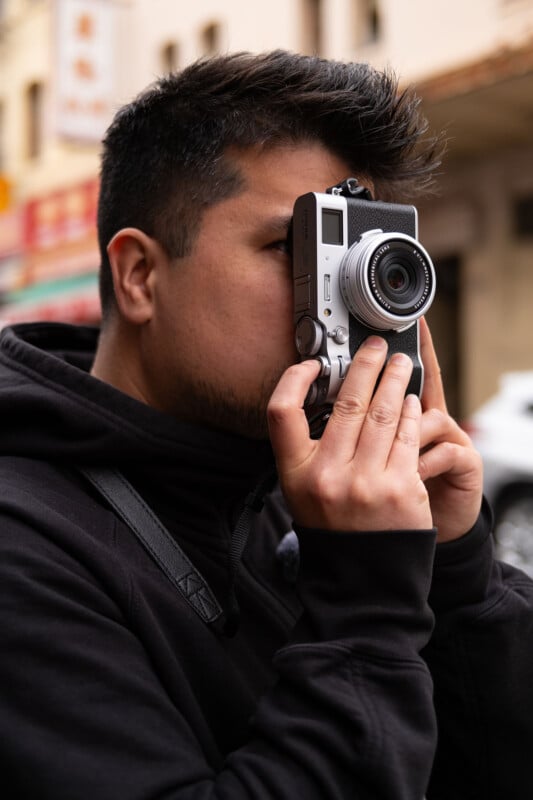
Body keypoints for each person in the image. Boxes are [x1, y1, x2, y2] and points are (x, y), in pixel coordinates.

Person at [0, 50, 531, 800]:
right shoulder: (24, 547)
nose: (345, 299)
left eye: (356, 254)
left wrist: (455, 576)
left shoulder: (293, 485)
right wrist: (366, 605)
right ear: (141, 276)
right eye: (296, 248)